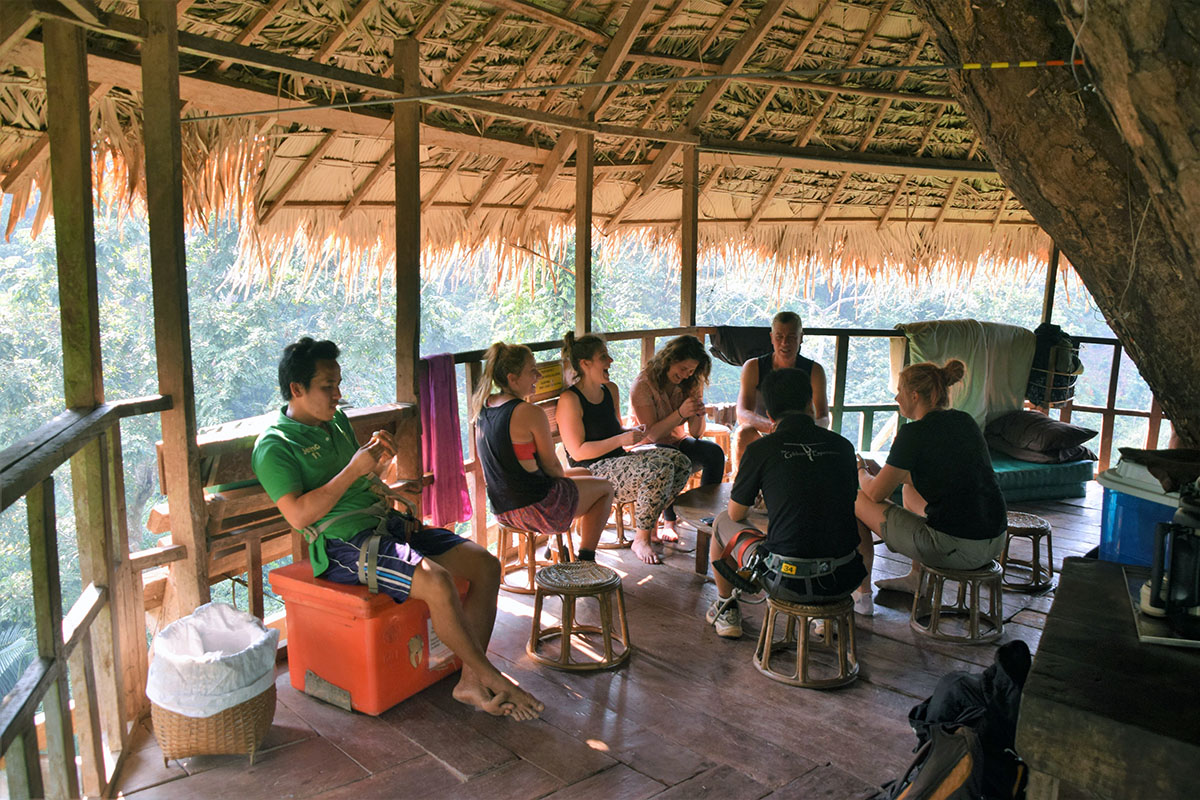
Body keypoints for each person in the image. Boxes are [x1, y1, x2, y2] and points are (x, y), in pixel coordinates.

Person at [252, 338, 543, 720]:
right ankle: (495, 677)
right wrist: (354, 469)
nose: (338, 395)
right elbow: (299, 516)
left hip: (384, 523)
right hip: (343, 545)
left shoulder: (334, 420)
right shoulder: (275, 445)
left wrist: (376, 466)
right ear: (296, 389)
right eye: (328, 386)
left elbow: (357, 483)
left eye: (339, 383)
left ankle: (470, 682)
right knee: (436, 582)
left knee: (485, 564)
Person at [706, 368, 868, 638]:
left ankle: (727, 607)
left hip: (787, 580)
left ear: (769, 415)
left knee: (721, 522)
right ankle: (823, 617)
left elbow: (736, 512)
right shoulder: (843, 446)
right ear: (809, 405)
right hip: (844, 577)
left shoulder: (761, 449)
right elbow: (845, 500)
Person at [854, 359, 1007, 599]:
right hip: (995, 541)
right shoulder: (964, 421)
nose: (896, 398)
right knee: (908, 490)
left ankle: (861, 596)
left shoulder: (913, 433)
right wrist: (881, 473)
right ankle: (917, 579)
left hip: (954, 547)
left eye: (899, 392)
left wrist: (861, 471)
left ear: (914, 395)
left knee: (856, 499)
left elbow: (875, 494)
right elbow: (941, 477)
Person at [557, 332, 693, 565]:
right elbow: (578, 452)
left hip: (618, 460)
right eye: (603, 357)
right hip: (592, 471)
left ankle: (647, 523)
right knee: (659, 468)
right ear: (585, 363)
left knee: (680, 461)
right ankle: (641, 538)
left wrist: (630, 433)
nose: (610, 361)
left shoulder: (610, 390)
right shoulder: (570, 400)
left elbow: (614, 429)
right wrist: (620, 440)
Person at [472, 342, 614, 561]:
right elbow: (552, 467)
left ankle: (554, 545)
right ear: (512, 378)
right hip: (535, 508)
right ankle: (586, 559)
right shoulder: (529, 412)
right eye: (532, 371)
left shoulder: (484, 407)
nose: (538, 376)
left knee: (585, 475)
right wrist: (568, 485)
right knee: (605, 489)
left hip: (502, 507)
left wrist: (573, 482)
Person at [630, 335, 726, 540]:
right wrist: (681, 413)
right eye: (683, 369)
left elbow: (697, 433)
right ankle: (668, 521)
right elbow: (651, 434)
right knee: (672, 458)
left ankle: (705, 516)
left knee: (714, 453)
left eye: (691, 371)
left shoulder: (690, 382)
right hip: (646, 448)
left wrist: (699, 413)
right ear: (670, 359)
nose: (685, 375)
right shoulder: (643, 385)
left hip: (677, 441)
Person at [733, 311, 830, 469]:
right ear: (771, 337)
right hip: (765, 432)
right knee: (743, 433)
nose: (785, 343)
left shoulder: (814, 370)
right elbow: (742, 413)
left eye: (792, 337)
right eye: (779, 337)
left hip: (801, 437)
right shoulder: (754, 367)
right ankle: (741, 488)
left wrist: (801, 430)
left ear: (801, 338)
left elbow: (823, 417)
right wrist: (773, 428)